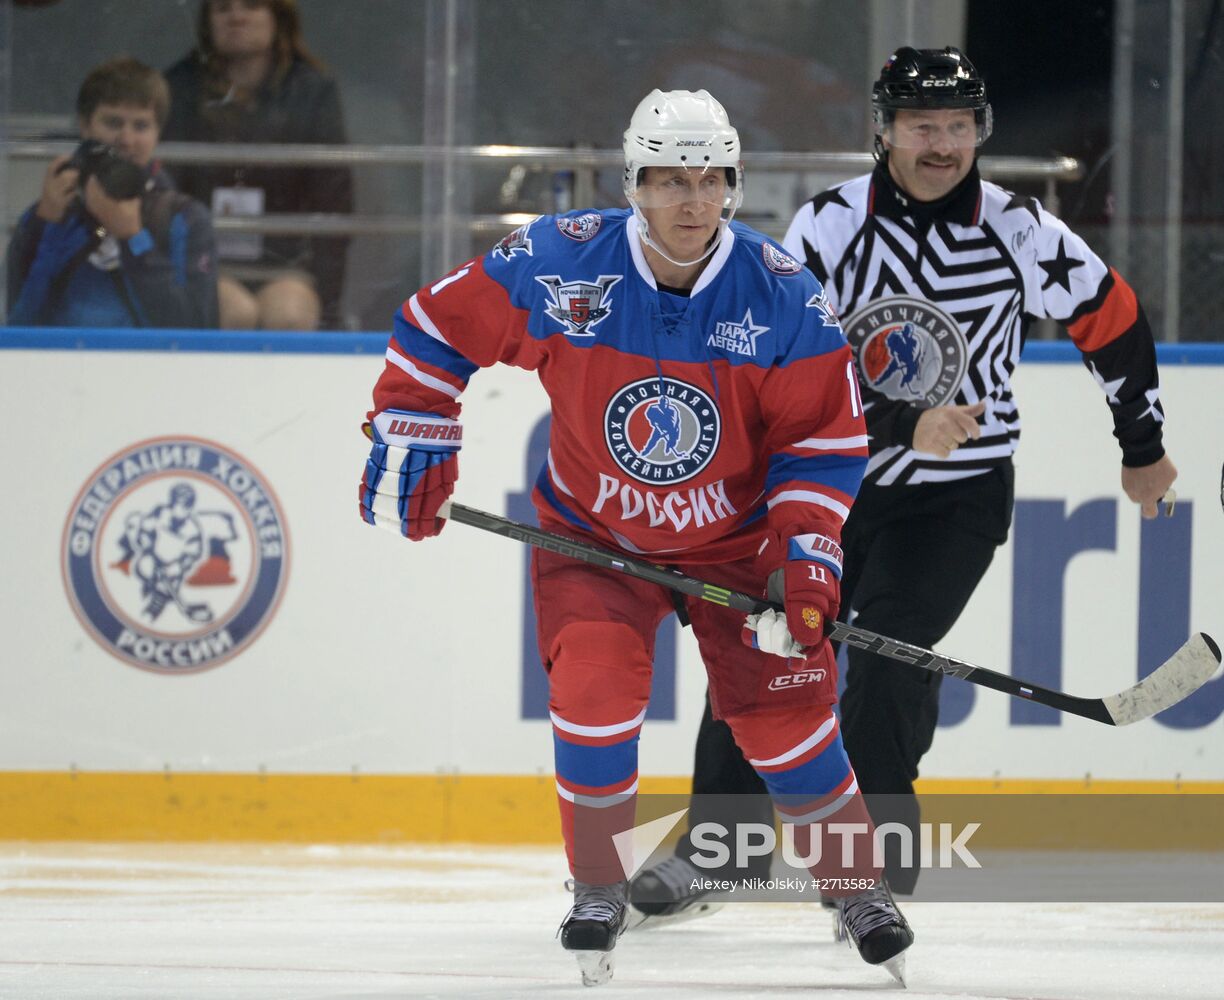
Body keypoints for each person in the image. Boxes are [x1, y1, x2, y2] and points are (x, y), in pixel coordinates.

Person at [357, 89, 914, 986]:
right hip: (595, 541)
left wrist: (808, 554)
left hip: (737, 547)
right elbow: (433, 329)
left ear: (732, 185)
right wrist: (415, 431)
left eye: (710, 180)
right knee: (593, 691)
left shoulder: (782, 295)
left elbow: (821, 444)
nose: (692, 201)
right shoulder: (559, 261)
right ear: (633, 183)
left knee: (787, 720)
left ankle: (854, 886)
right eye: (668, 180)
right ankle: (598, 883)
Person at [627, 46, 1179, 923]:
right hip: (829, 487)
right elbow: (779, 360)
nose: (942, 143)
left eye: (959, 125)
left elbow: (1111, 320)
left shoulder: (1021, 228)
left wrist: (1141, 446)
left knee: (886, 662)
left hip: (954, 498)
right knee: (761, 647)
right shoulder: (828, 227)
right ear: (884, 130)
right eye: (923, 125)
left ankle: (869, 862)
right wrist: (892, 420)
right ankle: (718, 847)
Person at [163, 0, 354, 331]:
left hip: (287, 262)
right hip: (204, 260)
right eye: (222, 8)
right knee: (232, 313)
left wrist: (330, 301)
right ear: (207, 22)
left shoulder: (312, 90)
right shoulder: (179, 87)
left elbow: (334, 199)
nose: (236, 17)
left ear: (276, 17)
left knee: (289, 315)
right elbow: (165, 191)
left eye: (250, 6)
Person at [7, 57, 218, 329]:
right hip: (62, 367)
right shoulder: (48, 214)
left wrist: (134, 240)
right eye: (113, 123)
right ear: (85, 126)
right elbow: (19, 327)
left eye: (141, 126)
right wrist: (47, 225)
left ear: (158, 134)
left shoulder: (186, 219)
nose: (126, 139)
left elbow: (197, 332)